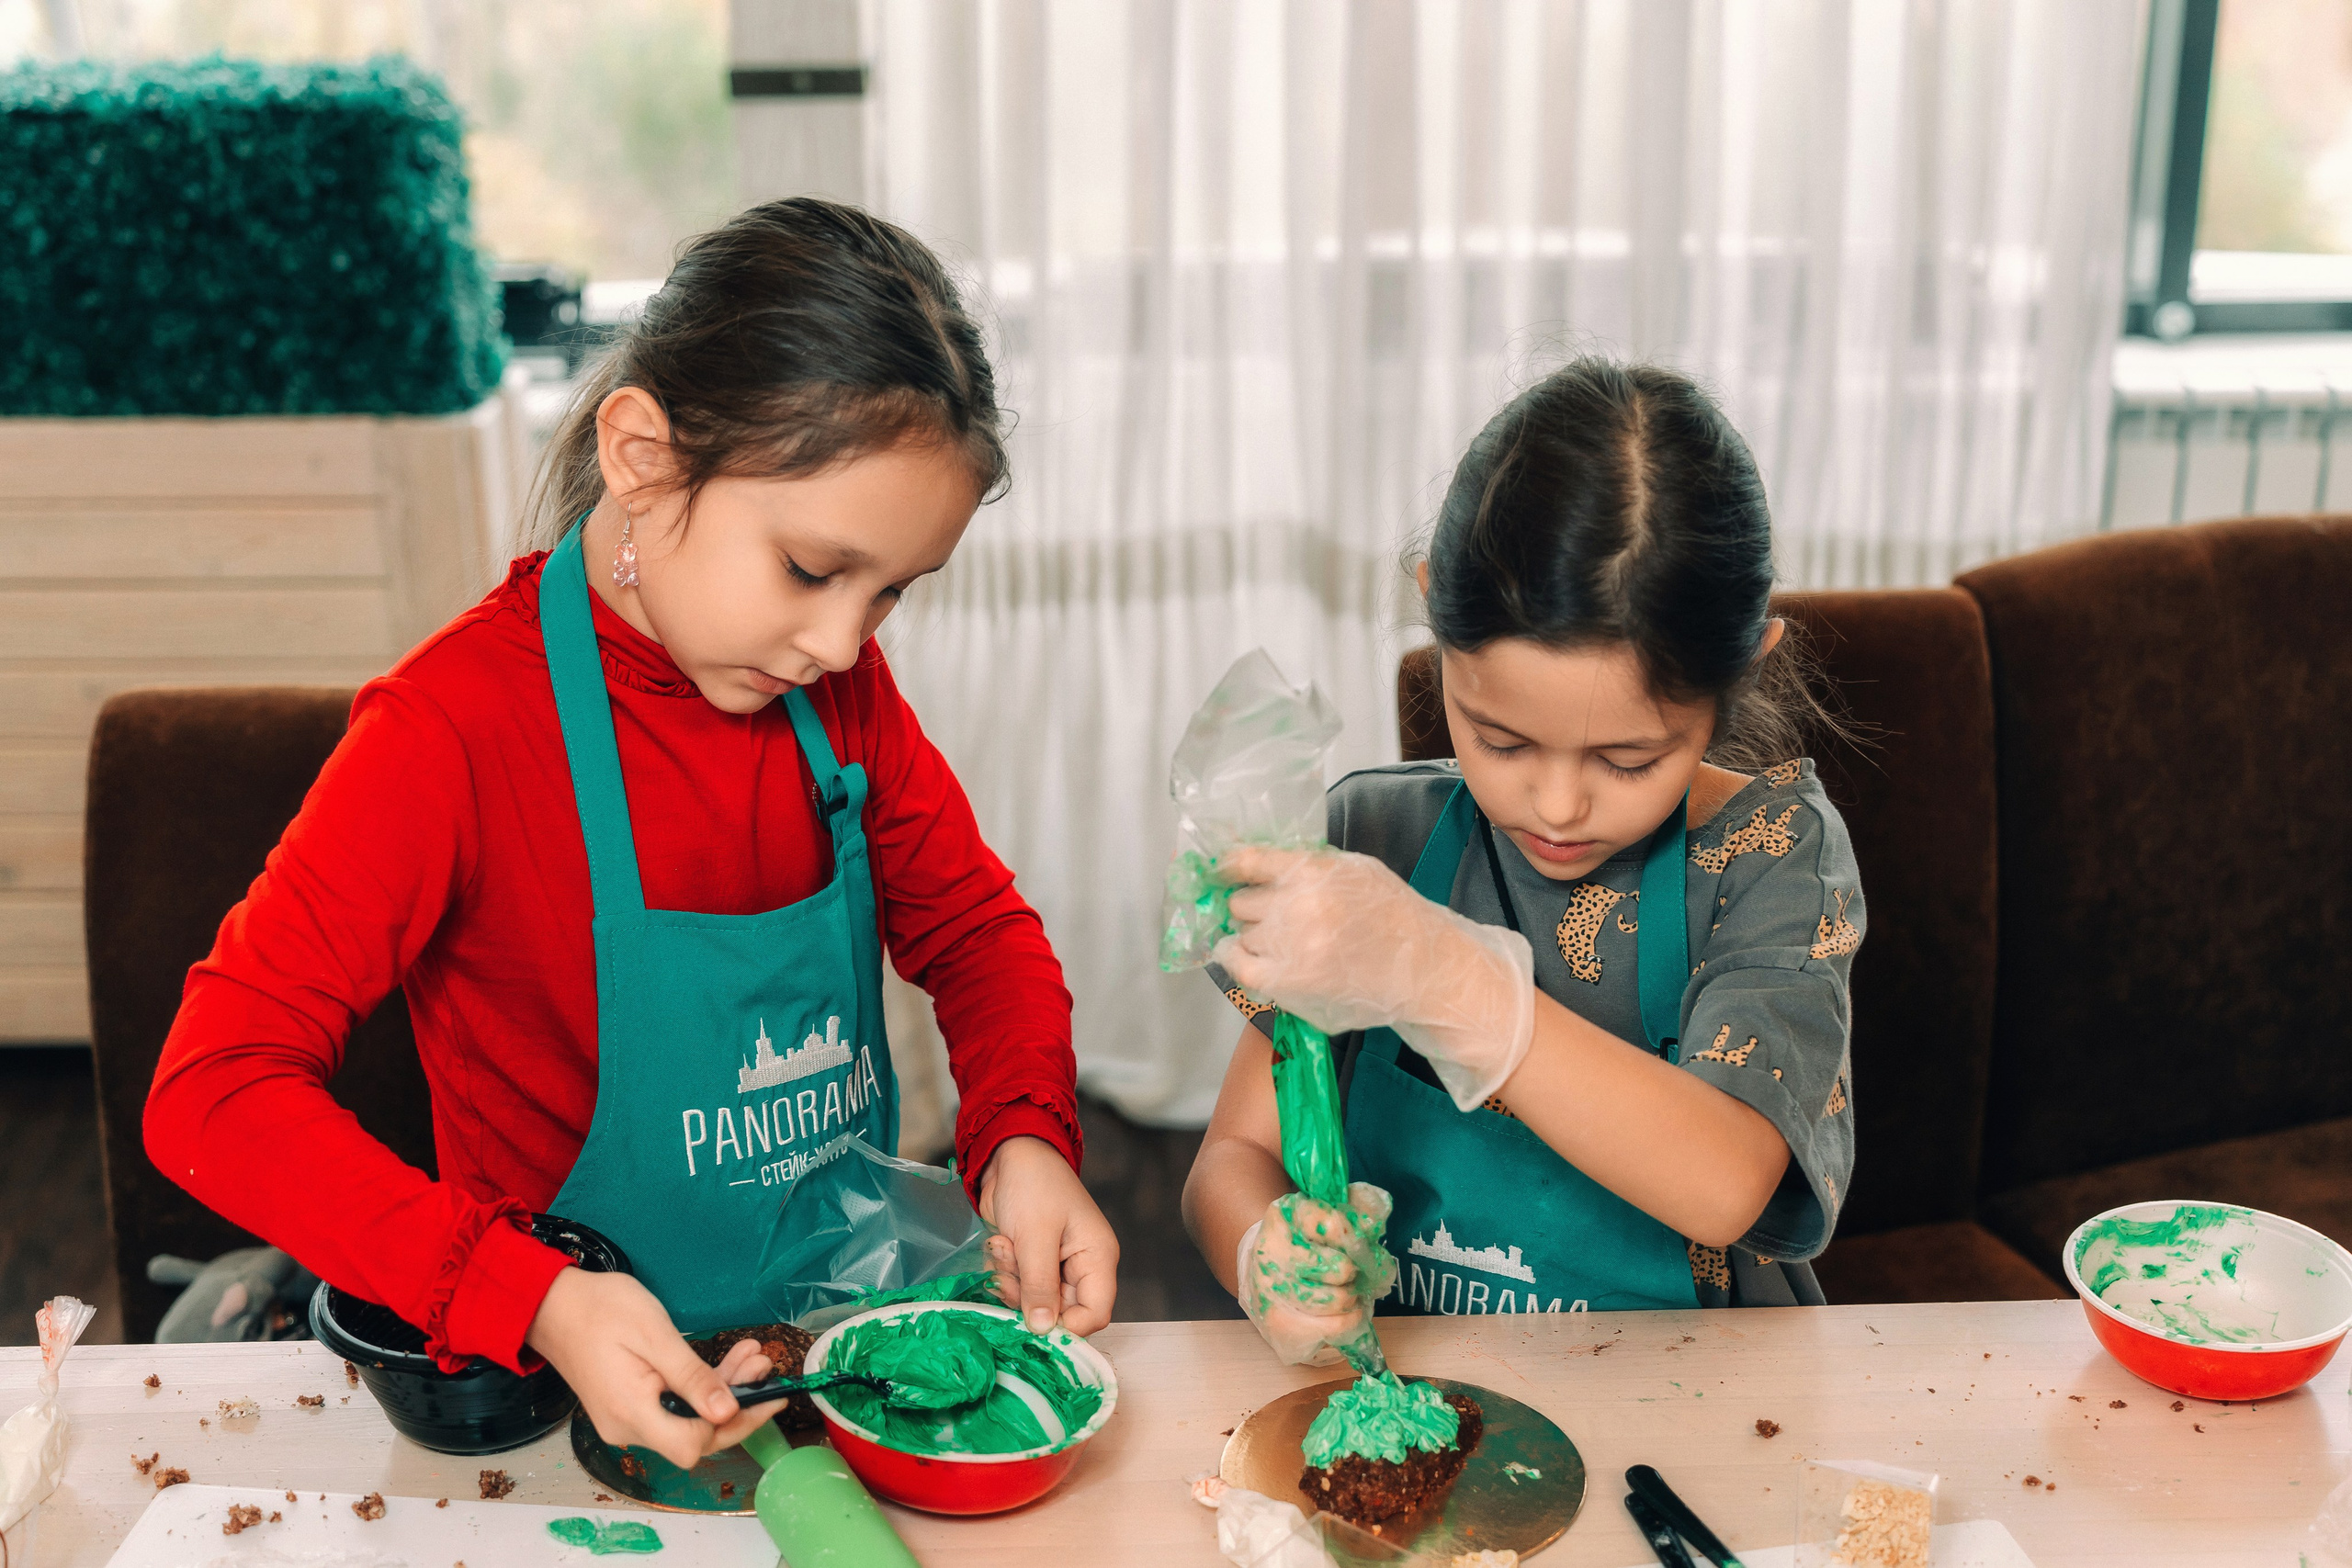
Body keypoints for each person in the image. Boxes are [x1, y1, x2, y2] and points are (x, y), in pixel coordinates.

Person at [145, 198, 1118, 1466]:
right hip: (558, 1395)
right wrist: (526, 1293)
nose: (842, 644)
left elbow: (977, 931)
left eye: (890, 593)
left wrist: (1026, 1132)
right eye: (811, 569)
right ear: (642, 457)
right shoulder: (452, 730)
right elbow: (213, 1089)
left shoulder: (839, 696)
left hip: (832, 1349)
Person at [1182, 359, 1861, 1363]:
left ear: (1741, 668)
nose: (1556, 805)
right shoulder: (1370, 838)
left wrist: (1439, 974)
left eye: (1628, 760)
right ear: (1435, 619)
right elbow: (1233, 1156)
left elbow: (1726, 1183)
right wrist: (1262, 1251)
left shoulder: (1770, 859)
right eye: (1500, 741)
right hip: (1425, 1385)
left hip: (1699, 1395)